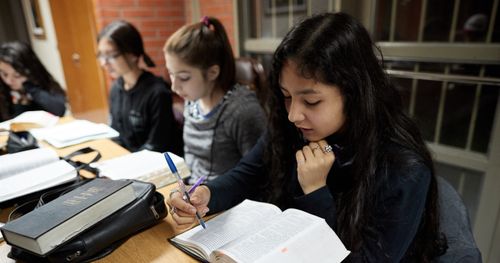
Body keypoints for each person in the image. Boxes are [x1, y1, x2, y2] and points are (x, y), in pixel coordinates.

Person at [168, 12, 448, 262]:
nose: (293, 115)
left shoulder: (402, 167)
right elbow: (247, 174)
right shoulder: (291, 128)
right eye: (287, 97)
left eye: (311, 102)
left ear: (354, 94)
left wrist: (315, 191)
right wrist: (207, 194)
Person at [163, 16, 266, 184]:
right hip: (194, 194)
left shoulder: (243, 112)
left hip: (228, 201)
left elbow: (259, 174)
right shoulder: (193, 101)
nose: (174, 87)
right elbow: (191, 158)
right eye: (171, 74)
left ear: (212, 73)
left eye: (183, 77)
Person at [97, 20, 183, 154]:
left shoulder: (157, 93)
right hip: (129, 160)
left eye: (111, 55)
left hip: (156, 164)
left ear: (132, 54)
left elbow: (156, 146)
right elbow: (116, 133)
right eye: (102, 55)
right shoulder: (116, 89)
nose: (104, 63)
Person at [0, 41, 66, 121]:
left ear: (29, 71)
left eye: (17, 75)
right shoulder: (3, 87)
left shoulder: (40, 83)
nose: (8, 81)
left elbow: (59, 110)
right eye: (4, 74)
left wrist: (30, 87)